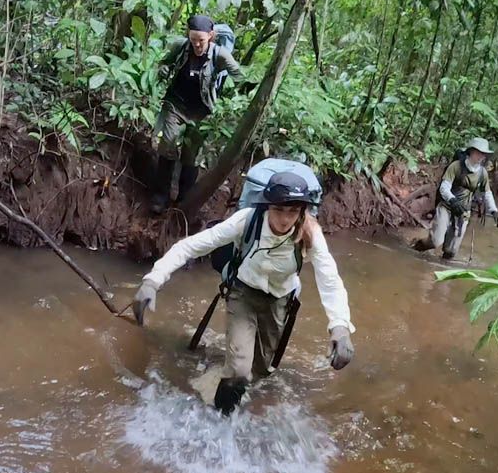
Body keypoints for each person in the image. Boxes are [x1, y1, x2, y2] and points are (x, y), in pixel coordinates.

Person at [132, 170, 355, 414]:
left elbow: (330, 279)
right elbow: (191, 246)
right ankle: (220, 419)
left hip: (280, 300)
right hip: (243, 294)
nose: (285, 219)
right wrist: (152, 281)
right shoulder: (247, 221)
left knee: (261, 369)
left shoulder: (310, 233)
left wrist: (340, 327)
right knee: (239, 370)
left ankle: (227, 384)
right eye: (279, 210)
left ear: (302, 211)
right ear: (268, 205)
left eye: (293, 211)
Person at [150, 14, 245, 214]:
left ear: (210, 36)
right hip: (175, 104)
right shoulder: (181, 47)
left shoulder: (220, 55)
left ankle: (184, 199)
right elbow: (164, 63)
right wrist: (164, 70)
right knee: (167, 144)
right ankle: (160, 196)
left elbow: (240, 77)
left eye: (201, 41)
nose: (197, 45)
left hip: (201, 111)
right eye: (193, 40)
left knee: (191, 155)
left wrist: (234, 100)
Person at [418, 137, 498, 260]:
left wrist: (494, 211)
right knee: (435, 241)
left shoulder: (482, 173)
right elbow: (444, 187)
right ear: (470, 152)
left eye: (483, 154)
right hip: (446, 207)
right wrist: (453, 200)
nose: (481, 156)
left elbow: (487, 193)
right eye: (478, 152)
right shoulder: (456, 166)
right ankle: (416, 247)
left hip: (463, 213)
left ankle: (440, 271)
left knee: (450, 252)